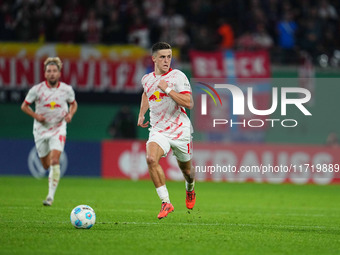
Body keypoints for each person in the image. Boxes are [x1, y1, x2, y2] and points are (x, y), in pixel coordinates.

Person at [137, 42, 196, 219]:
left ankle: (190, 189)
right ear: (153, 58)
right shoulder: (147, 79)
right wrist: (141, 114)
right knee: (150, 158)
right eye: (162, 57)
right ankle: (166, 202)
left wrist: (168, 89)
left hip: (180, 130)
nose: (166, 60)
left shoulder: (177, 77)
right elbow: (147, 93)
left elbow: (189, 103)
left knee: (187, 171)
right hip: (158, 130)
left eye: (169, 56)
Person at [21, 57, 78, 206]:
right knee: (46, 165)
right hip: (40, 130)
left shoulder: (66, 90)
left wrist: (70, 114)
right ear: (45, 74)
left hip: (58, 128)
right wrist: (36, 115)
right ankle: (50, 189)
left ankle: (50, 197)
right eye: (49, 71)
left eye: (54, 71)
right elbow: (24, 106)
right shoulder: (37, 90)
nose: (52, 73)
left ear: (59, 73)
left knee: (54, 160)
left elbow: (73, 104)